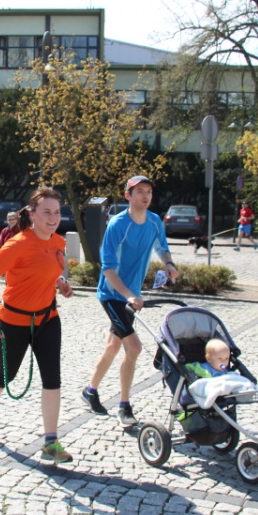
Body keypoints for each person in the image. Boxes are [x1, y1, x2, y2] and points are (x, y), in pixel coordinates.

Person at [0, 187, 75, 463]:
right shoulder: (17, 243)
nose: (53, 217)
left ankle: (51, 442)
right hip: (13, 322)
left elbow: (48, 271)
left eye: (56, 212)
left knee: (52, 378)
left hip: (47, 319)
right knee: (6, 376)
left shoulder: (58, 242)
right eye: (46, 212)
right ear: (32, 214)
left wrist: (61, 284)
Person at [81, 176, 179, 426]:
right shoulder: (117, 224)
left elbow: (162, 247)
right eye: (139, 192)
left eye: (148, 192)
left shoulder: (155, 221)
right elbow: (108, 269)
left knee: (113, 347)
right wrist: (129, 296)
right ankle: (124, 407)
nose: (145, 196)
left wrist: (168, 264)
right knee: (134, 348)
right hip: (114, 295)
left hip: (131, 296)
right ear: (128, 196)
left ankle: (90, 391)